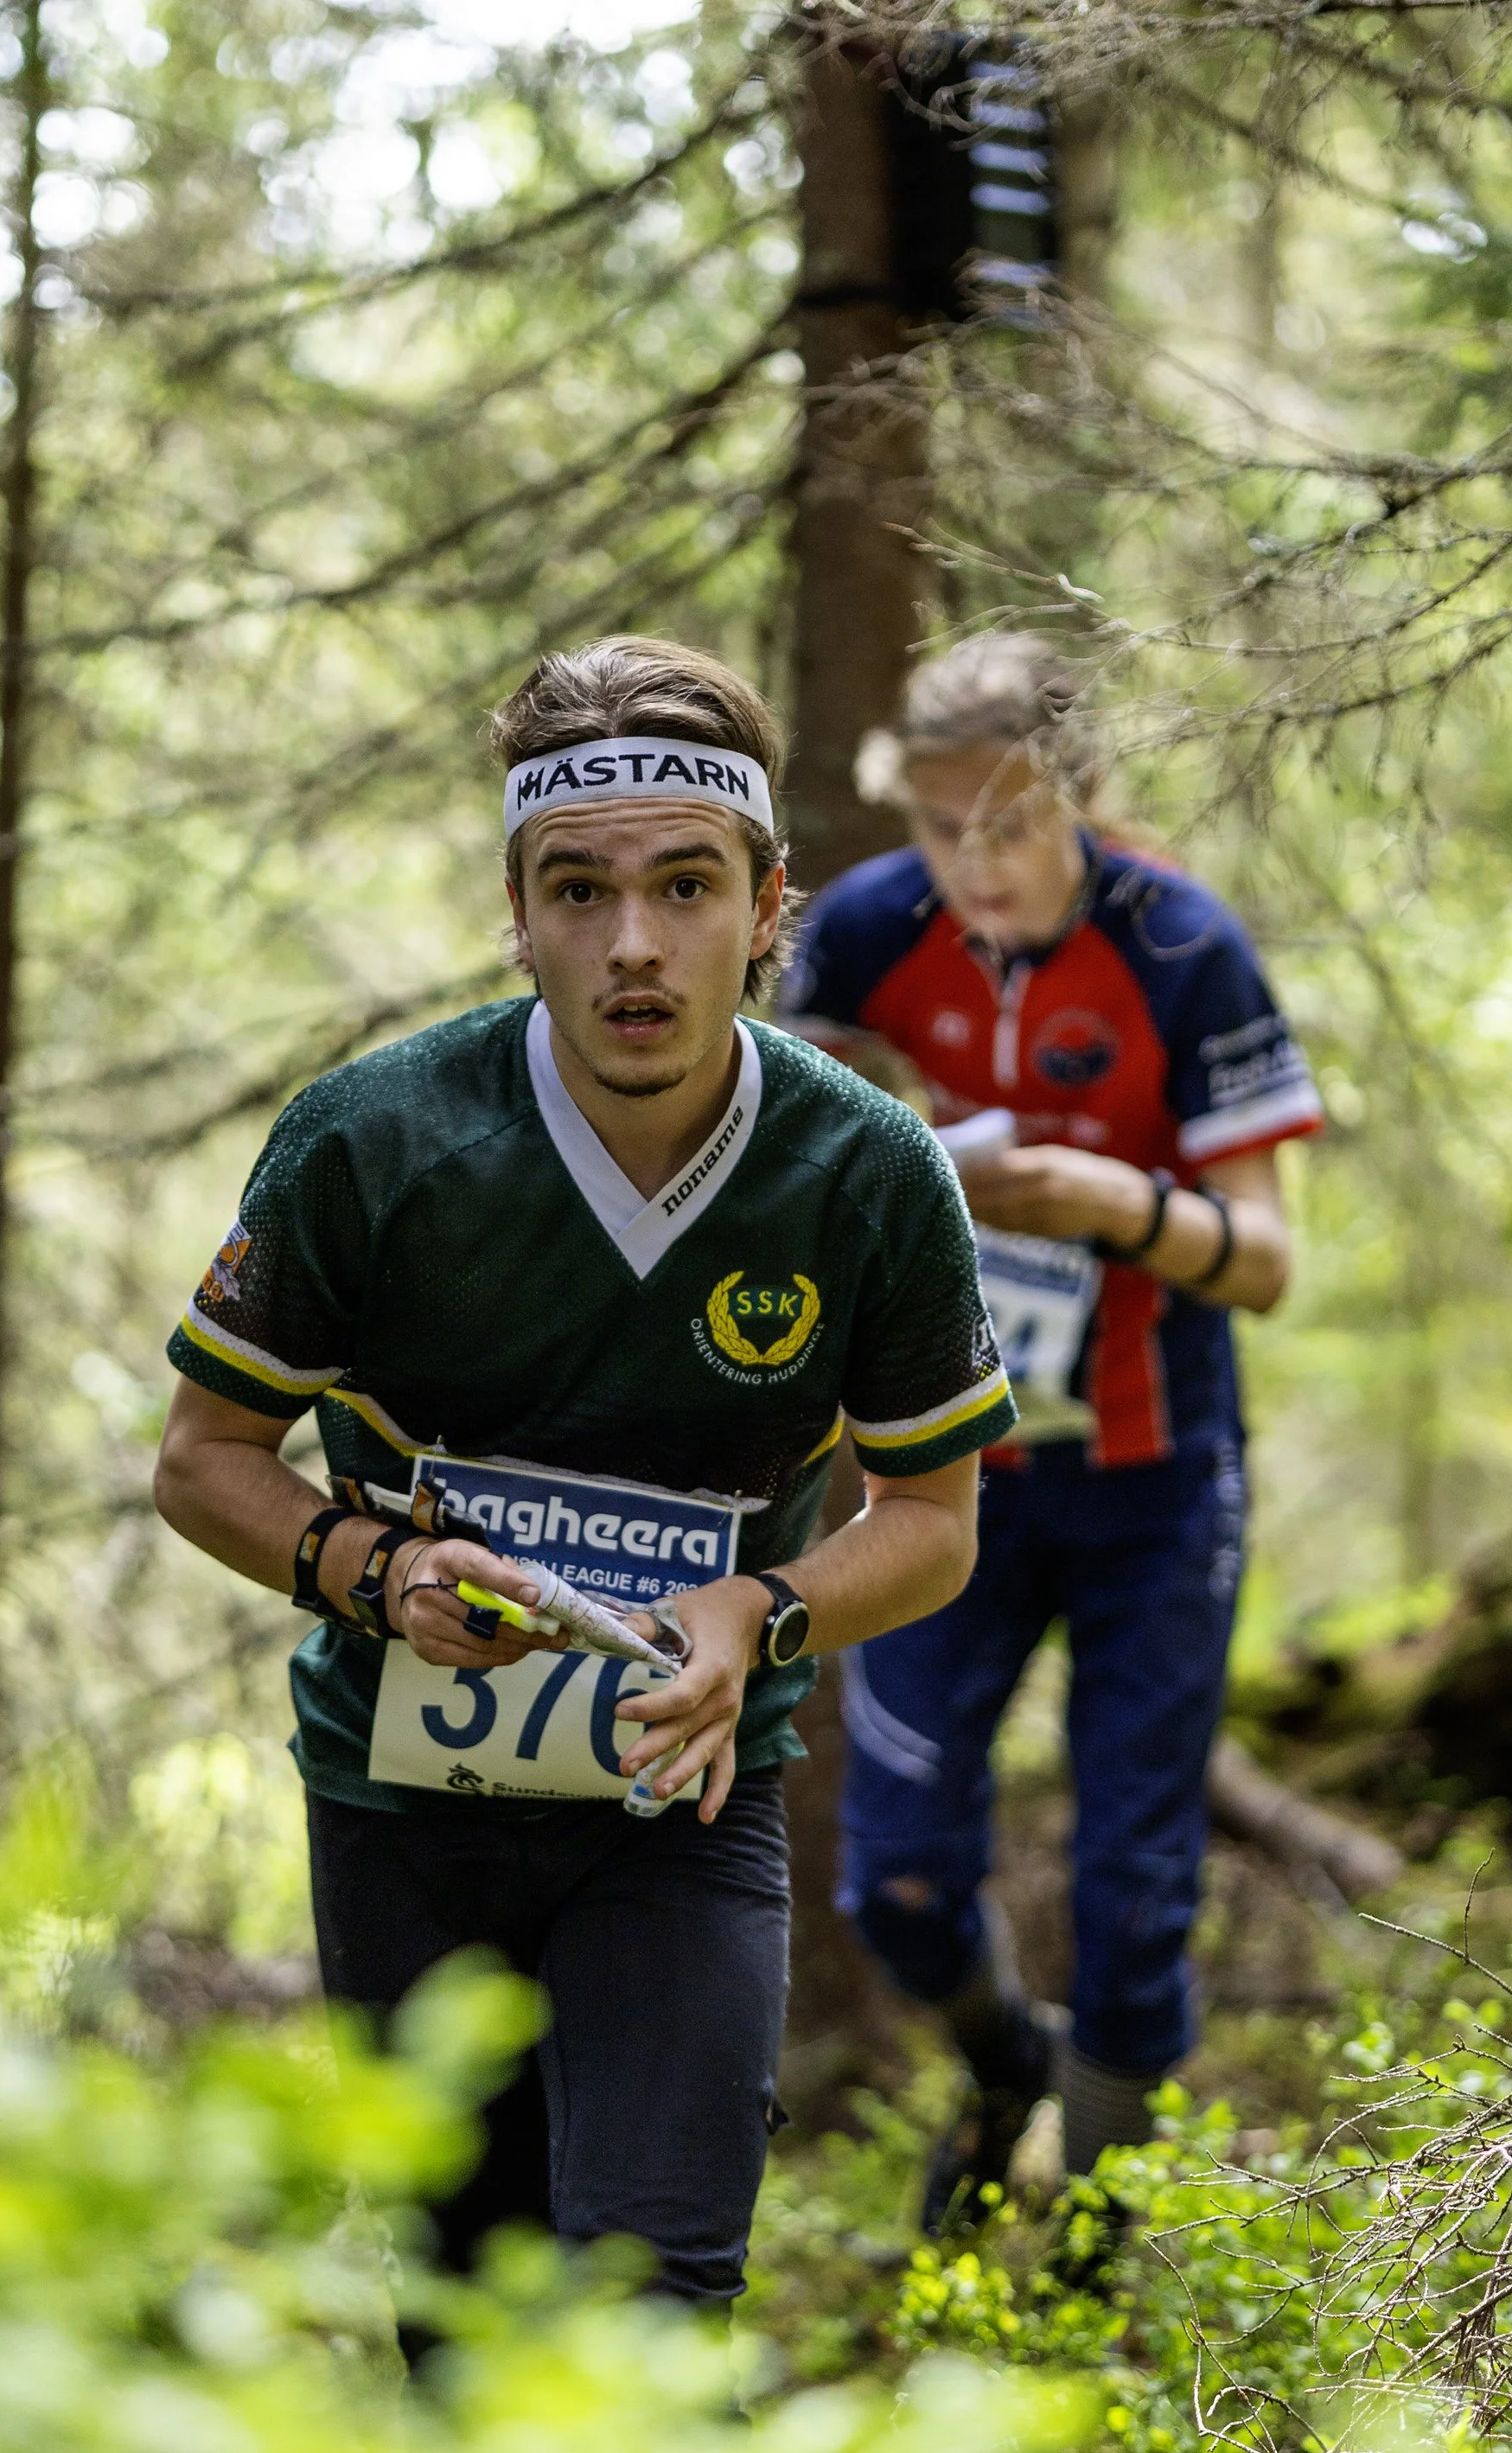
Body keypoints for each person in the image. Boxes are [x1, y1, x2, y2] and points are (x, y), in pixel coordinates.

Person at [151, 635, 1015, 2322]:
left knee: (653, 2296)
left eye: (686, 886)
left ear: (766, 903)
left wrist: (752, 1606)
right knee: (461, 2306)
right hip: (400, 1814)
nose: (633, 942)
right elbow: (203, 1461)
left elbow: (928, 1522)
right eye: (580, 889)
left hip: (677, 1808)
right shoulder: (371, 1140)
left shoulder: (866, 1169)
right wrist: (374, 1574)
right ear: (519, 905)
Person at [780, 633, 1321, 2220]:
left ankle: (1093, 2216)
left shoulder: (1182, 946)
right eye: (941, 827)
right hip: (939, 1477)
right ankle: (1006, 2063)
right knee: (900, 1872)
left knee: (1134, 1886)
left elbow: (1272, 1259)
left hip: (1155, 1477)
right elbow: (789, 1151)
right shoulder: (871, 933)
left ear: (1085, 795)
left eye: (1008, 824)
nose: (974, 863)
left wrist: (1103, 1199)